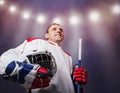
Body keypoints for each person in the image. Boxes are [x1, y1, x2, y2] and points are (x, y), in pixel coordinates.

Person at [0, 23, 87, 93]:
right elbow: (4, 60)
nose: (58, 31)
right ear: (47, 35)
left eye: (61, 30)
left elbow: (68, 85)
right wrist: (25, 71)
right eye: (54, 29)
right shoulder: (36, 42)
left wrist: (78, 83)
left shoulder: (68, 57)